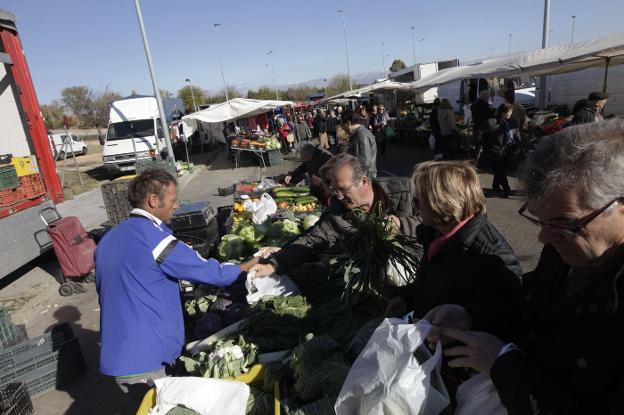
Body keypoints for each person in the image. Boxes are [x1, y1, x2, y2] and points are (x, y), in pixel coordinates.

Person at [425, 119, 624, 414]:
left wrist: (504, 366)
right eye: (540, 220)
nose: (544, 237)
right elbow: (530, 308)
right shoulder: (564, 253)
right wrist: (470, 316)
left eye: (565, 223)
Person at [95, 170, 256, 399]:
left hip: (119, 354)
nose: (176, 205)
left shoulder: (108, 239)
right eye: (172, 200)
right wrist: (245, 267)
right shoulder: (153, 238)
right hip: (148, 356)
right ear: (153, 200)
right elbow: (210, 273)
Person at [391, 161, 522, 338]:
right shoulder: (435, 233)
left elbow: (506, 312)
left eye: (418, 200)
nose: (415, 207)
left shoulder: (490, 256)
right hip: (426, 336)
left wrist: (466, 317)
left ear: (441, 202)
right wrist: (406, 297)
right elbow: (429, 279)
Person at [250, 154, 421, 277]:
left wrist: (400, 224)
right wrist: (275, 265)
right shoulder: (339, 208)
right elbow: (314, 239)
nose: (338, 196)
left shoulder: (404, 190)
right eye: (334, 190)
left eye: (343, 189)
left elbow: (437, 221)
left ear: (363, 181)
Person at [482, 103, 519, 198]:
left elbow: (516, 133)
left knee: (501, 170)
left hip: (508, 150)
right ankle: (507, 189)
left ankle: (495, 186)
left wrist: (518, 144)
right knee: (500, 171)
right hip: (495, 151)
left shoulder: (512, 121)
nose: (511, 114)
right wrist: (486, 149)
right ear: (503, 112)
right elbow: (482, 136)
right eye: (510, 112)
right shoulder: (491, 122)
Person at [342, 110, 378, 177]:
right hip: (363, 177)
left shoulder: (361, 135)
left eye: (342, 125)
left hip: (364, 178)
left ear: (348, 123)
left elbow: (364, 163)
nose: (342, 128)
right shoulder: (359, 134)